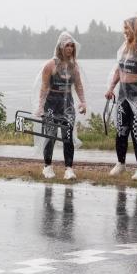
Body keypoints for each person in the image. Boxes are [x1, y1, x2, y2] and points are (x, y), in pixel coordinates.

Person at [105, 17, 137, 181]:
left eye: (127, 28)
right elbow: (118, 70)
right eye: (124, 28)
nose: (124, 31)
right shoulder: (124, 48)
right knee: (121, 130)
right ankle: (121, 164)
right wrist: (111, 88)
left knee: (135, 131)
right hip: (123, 95)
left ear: (135, 29)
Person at [35, 32, 86, 180]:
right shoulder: (50, 65)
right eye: (67, 45)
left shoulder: (74, 66)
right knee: (50, 136)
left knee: (67, 136)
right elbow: (44, 88)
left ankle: (69, 169)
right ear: (60, 47)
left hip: (67, 104)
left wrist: (83, 102)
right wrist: (40, 106)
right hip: (52, 103)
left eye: (72, 46)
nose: (70, 48)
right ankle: (47, 167)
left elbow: (79, 86)